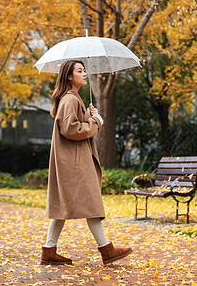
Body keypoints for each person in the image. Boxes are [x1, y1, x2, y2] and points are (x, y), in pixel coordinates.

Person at [41, 60, 132, 265]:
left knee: (63, 206)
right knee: (91, 202)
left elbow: (73, 125)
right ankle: (106, 249)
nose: (84, 74)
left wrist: (90, 115)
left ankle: (49, 250)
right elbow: (71, 129)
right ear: (69, 77)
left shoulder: (73, 99)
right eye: (79, 71)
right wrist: (96, 121)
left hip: (73, 160)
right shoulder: (70, 100)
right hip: (74, 163)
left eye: (84, 70)